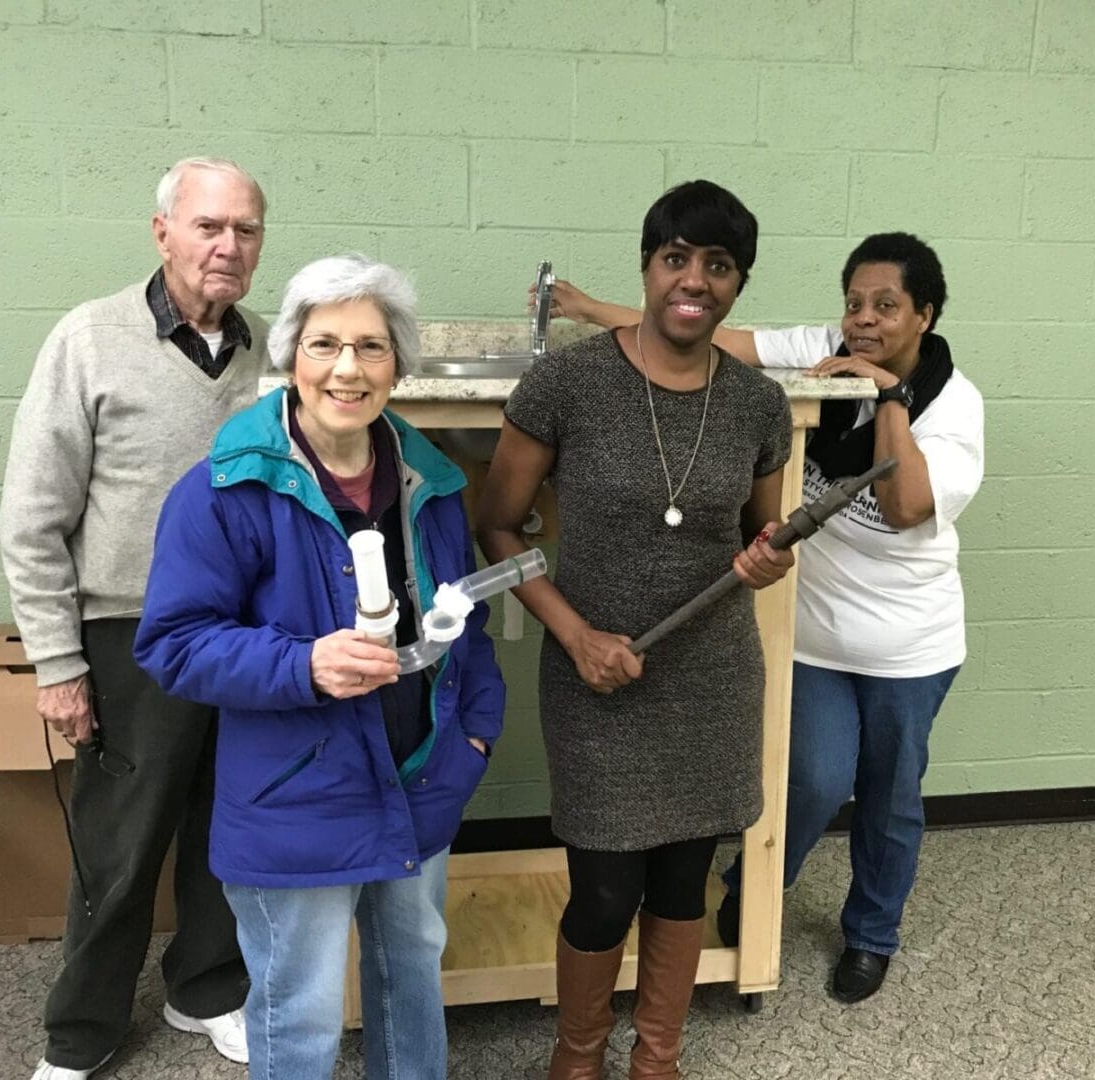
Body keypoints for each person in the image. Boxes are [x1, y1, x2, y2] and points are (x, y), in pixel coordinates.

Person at [539, 232, 985, 1003]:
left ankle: (871, 934)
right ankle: (755, 883)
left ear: (925, 315)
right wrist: (583, 308)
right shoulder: (820, 348)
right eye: (854, 303)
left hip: (909, 643)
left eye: (886, 306)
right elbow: (697, 324)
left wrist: (887, 396)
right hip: (813, 632)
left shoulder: (955, 402)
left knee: (889, 795)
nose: (864, 320)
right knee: (811, 779)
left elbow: (907, 504)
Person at [133, 253, 506, 1080]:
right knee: (296, 1011)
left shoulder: (432, 485)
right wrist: (304, 666)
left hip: (418, 781)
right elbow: (174, 642)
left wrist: (472, 742)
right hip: (292, 796)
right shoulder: (223, 491)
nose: (348, 368)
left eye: (372, 347)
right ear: (292, 356)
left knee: (411, 983)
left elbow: (469, 630)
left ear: (397, 364)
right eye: (325, 343)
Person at [477, 180, 796, 1080]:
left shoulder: (757, 405)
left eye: (718, 265)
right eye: (676, 258)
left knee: (682, 879)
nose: (694, 281)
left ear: (738, 283)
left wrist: (771, 558)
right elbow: (498, 527)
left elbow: (760, 539)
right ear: (649, 267)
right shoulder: (568, 383)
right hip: (598, 676)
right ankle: (576, 1057)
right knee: (604, 891)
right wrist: (575, 636)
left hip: (712, 678)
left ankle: (658, 1058)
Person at [0, 157, 270, 1079]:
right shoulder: (89, 339)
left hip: (248, 637)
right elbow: (32, 518)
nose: (228, 246)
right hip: (131, 635)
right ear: (163, 232)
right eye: (208, 226)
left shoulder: (273, 351)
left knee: (227, 828)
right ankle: (80, 1034)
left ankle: (208, 990)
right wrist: (56, 664)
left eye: (245, 230)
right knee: (117, 845)